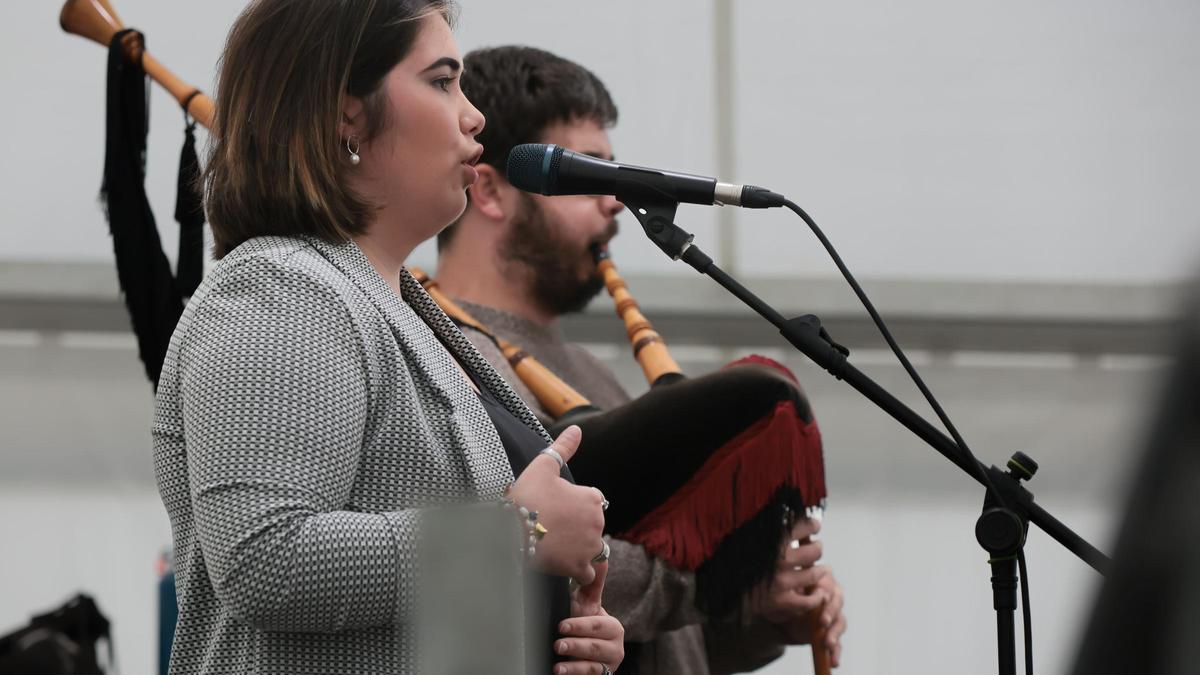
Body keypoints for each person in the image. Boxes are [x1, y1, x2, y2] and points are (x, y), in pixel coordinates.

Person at [151, 4, 622, 674]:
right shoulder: (281, 287)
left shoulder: (408, 310)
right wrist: (517, 533)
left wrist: (553, 629)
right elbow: (264, 559)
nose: (474, 114)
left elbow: (410, 611)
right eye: (441, 81)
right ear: (347, 113)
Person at [435, 45, 847, 673]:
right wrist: (719, 579)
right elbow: (522, 550)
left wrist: (766, 614)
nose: (614, 202)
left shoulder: (596, 374)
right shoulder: (443, 351)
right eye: (585, 176)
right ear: (490, 191)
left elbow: (664, 643)